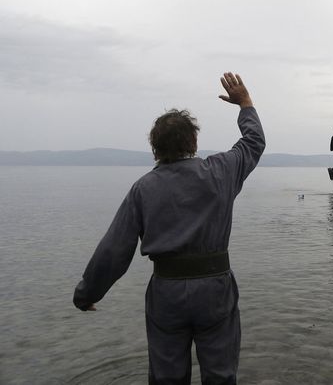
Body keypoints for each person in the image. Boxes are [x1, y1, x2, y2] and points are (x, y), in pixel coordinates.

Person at [72, 72, 265, 384]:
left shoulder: (143, 188)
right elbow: (254, 142)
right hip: (215, 289)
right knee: (221, 376)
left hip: (167, 293)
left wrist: (87, 294)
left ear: (155, 148)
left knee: (167, 378)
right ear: (194, 142)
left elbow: (114, 250)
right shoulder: (221, 171)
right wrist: (245, 104)